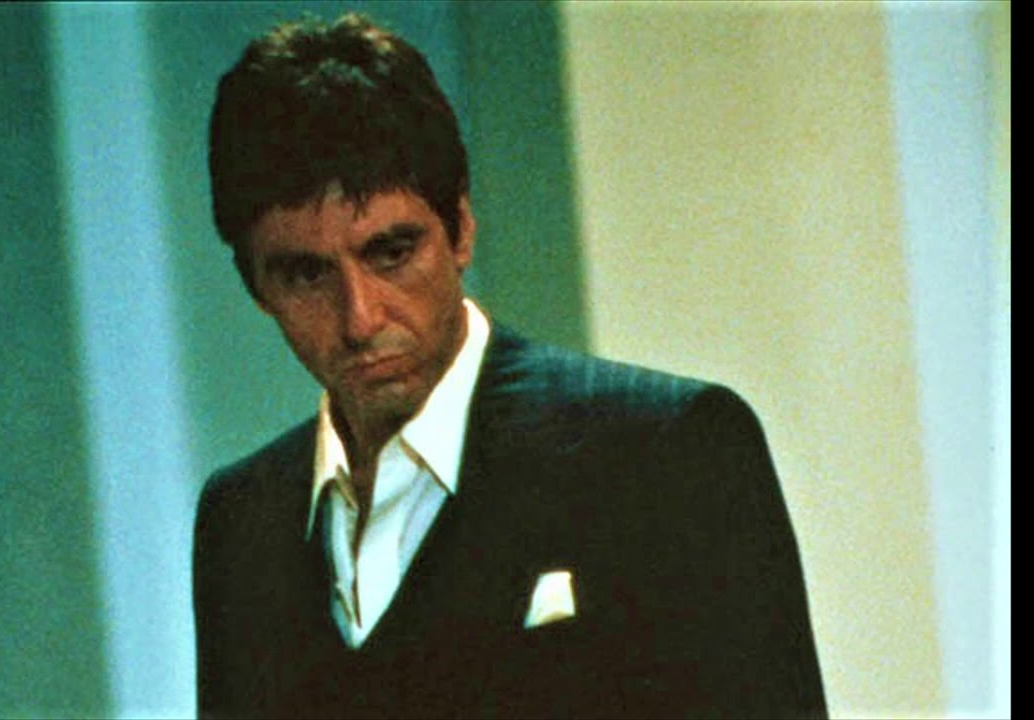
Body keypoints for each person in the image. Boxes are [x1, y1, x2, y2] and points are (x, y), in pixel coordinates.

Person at [194, 13, 827, 719]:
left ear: (461, 229)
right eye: (307, 275)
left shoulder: (665, 452)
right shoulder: (242, 522)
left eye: (391, 253)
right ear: (256, 287)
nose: (360, 319)